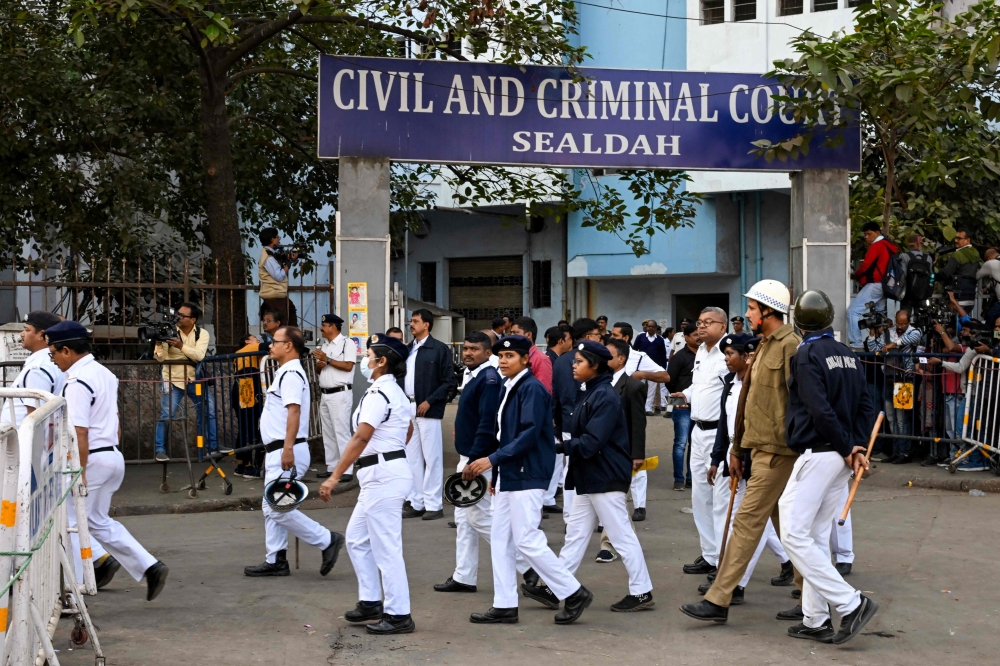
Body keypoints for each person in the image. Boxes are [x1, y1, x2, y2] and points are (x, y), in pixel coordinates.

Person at [681, 279, 800, 623]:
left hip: (779, 452)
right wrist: (737, 448)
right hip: (757, 450)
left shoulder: (791, 346)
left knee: (745, 522)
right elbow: (746, 402)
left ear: (767, 310)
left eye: (751, 308)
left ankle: (720, 598)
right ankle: (812, 600)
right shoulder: (763, 346)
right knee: (791, 531)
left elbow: (800, 402)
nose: (746, 314)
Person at [464, 335, 593, 626]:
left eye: (510, 356)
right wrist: (497, 475)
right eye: (501, 356)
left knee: (526, 539)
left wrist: (492, 461)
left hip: (528, 472)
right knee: (500, 540)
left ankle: (573, 592)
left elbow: (530, 434)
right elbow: (503, 435)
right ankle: (505, 604)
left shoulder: (532, 388)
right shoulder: (511, 387)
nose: (503, 361)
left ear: (525, 359)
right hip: (510, 474)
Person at [778, 290, 879, 644]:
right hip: (840, 456)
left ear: (798, 323)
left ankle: (851, 603)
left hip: (820, 452)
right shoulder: (847, 354)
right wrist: (857, 446)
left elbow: (818, 408)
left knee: (792, 532)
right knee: (817, 536)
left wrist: (845, 445)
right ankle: (815, 619)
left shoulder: (806, 353)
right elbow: (867, 405)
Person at [46, 321, 169, 600]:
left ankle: (73, 592)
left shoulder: (78, 381)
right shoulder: (103, 373)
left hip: (90, 459)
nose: (52, 359)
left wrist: (78, 471)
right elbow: (112, 420)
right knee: (97, 520)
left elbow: (79, 430)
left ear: (67, 350)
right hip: (110, 454)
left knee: (69, 522)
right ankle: (149, 567)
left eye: (53, 353)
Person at [529, 340, 654, 612]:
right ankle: (556, 588)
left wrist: (557, 447)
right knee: (575, 535)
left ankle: (642, 591)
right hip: (589, 474)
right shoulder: (589, 392)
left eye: (579, 362)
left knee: (621, 535)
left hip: (605, 475)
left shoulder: (605, 396)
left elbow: (591, 442)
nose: (573, 365)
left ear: (595, 366)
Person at [318, 333, 416, 635]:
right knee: (358, 538)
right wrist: (393, 450)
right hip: (383, 472)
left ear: (381, 361)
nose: (365, 359)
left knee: (386, 548)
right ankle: (371, 600)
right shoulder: (392, 391)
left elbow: (361, 437)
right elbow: (408, 429)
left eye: (369, 354)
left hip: (383, 475)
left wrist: (335, 476)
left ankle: (399, 615)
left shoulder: (379, 394)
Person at [244, 326, 344, 578]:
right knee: (274, 502)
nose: (270, 345)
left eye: (274, 341)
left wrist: (287, 448)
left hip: (285, 450)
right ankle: (276, 558)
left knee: (273, 507)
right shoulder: (287, 371)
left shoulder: (290, 373)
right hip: (279, 449)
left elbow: (294, 412)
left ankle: (326, 539)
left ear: (288, 346)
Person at [434, 332, 531, 593]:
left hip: (477, 460)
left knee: (478, 518)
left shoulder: (488, 380)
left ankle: (529, 567)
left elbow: (488, 424)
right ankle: (464, 576)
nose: (468, 353)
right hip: (469, 456)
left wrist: (475, 460)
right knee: (464, 520)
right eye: (465, 348)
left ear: (488, 353)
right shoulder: (475, 376)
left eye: (474, 349)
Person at [700, 333, 789, 604]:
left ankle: (735, 583)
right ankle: (786, 561)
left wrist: (746, 455)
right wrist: (719, 458)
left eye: (734, 354)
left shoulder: (758, 386)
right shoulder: (730, 382)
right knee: (744, 519)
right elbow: (726, 424)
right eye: (726, 354)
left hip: (757, 456)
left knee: (751, 521)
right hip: (733, 452)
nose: (729, 359)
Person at [673, 307, 729, 577]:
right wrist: (684, 394)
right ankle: (710, 554)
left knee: (721, 501)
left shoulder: (728, 354)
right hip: (698, 430)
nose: (702, 327)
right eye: (699, 322)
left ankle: (723, 560)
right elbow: (701, 387)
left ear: (723, 326)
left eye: (708, 322)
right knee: (700, 497)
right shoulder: (701, 354)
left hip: (720, 434)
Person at [401, 309, 457, 520]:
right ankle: (417, 501)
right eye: (411, 321)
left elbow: (449, 381)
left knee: (431, 458)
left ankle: (434, 505)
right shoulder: (408, 349)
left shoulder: (438, 349)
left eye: (415, 321)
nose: (411, 324)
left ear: (427, 324)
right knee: (412, 457)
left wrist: (430, 401)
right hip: (408, 407)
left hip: (428, 408)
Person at [595, 338, 647, 563]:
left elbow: (638, 422)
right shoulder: (598, 383)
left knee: (615, 498)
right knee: (612, 501)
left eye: (608, 355)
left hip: (621, 451)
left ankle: (609, 544)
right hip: (598, 450)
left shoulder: (633, 386)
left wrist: (637, 454)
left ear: (621, 359)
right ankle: (625, 539)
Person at [610, 322, 669, 518]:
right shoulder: (606, 354)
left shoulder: (639, 357)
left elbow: (664, 375)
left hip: (632, 409)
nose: (611, 337)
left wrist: (641, 375)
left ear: (625, 338)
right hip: (609, 411)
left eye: (615, 335)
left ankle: (639, 505)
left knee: (637, 456)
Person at [152, 301, 222, 462]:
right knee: (166, 415)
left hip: (194, 380)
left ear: (193, 319)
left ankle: (213, 447)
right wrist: (158, 341)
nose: (178, 317)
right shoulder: (169, 330)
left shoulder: (202, 334)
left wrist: (180, 346)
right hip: (173, 380)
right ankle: (160, 450)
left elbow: (199, 356)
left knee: (209, 412)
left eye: (183, 316)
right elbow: (161, 358)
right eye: (178, 314)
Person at [552, 318, 601, 522]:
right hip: (591, 422)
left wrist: (557, 422)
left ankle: (570, 517)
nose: (601, 338)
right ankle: (597, 517)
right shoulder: (596, 358)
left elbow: (556, 395)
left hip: (567, 422)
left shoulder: (562, 359)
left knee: (570, 468)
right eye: (598, 334)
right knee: (596, 467)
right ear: (589, 336)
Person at [864, 309, 920, 464]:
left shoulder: (914, 331)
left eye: (903, 323)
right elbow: (874, 349)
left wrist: (892, 345)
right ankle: (896, 451)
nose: (900, 326)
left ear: (909, 321)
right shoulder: (889, 332)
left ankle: (905, 452)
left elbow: (911, 339)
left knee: (902, 419)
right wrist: (872, 333)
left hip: (904, 380)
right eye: (898, 323)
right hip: (888, 378)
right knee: (891, 418)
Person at [313, 314, 358, 481]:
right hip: (325, 393)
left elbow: (348, 366)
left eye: (324, 325)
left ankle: (346, 469)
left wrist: (328, 359)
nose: (321, 328)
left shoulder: (348, 343)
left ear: (332, 326)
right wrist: (319, 365)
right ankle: (332, 467)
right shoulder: (324, 345)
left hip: (340, 393)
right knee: (328, 432)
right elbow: (321, 370)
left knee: (341, 431)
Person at [847, 222, 898, 349]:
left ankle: (856, 342)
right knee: (879, 316)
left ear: (877, 233)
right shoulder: (890, 246)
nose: (866, 237)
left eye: (869, 234)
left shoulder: (876, 246)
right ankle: (879, 343)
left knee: (852, 311)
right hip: (887, 285)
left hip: (876, 284)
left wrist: (855, 275)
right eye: (865, 235)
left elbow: (865, 266)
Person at [666, 324, 698, 491]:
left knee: (695, 444)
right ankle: (679, 478)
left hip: (700, 407)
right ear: (686, 337)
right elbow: (668, 380)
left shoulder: (705, 355)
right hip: (682, 407)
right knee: (680, 443)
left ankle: (691, 478)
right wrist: (678, 399)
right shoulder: (679, 357)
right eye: (694, 335)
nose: (698, 337)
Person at [231, 333, 264, 478]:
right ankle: (248, 465)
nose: (258, 340)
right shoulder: (247, 350)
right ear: (247, 341)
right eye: (254, 338)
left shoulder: (252, 355)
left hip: (247, 388)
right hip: (246, 388)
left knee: (245, 426)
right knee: (248, 426)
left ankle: (240, 464)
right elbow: (267, 347)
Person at [257, 227, 298, 326]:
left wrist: (287, 259)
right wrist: (288, 264)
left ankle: (292, 336)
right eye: (277, 237)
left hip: (277, 295)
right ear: (272, 239)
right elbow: (279, 276)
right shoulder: (268, 257)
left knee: (291, 312)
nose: (279, 239)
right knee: (281, 325)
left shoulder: (271, 254)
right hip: (273, 296)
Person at [937, 228, 981, 310]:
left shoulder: (958, 254)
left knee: (954, 321)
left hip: (957, 296)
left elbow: (946, 273)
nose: (956, 241)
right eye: (955, 238)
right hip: (970, 294)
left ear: (968, 240)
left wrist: (934, 276)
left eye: (959, 238)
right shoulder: (975, 253)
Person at [632, 320, 669, 414]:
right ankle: (637, 407)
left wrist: (663, 368)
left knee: (651, 390)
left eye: (652, 327)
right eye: (648, 326)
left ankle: (648, 408)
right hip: (640, 368)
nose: (650, 328)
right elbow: (634, 350)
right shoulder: (641, 337)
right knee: (638, 388)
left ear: (656, 328)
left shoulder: (660, 339)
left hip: (654, 369)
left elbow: (662, 355)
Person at [510, 316, 552, 393]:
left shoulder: (541, 359)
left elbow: (543, 391)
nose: (512, 336)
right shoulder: (514, 356)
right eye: (511, 333)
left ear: (528, 334)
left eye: (516, 333)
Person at [977, 247, 1000, 325]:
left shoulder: (990, 263)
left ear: (989, 257)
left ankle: (989, 336)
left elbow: (976, 276)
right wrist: (989, 286)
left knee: (990, 318)